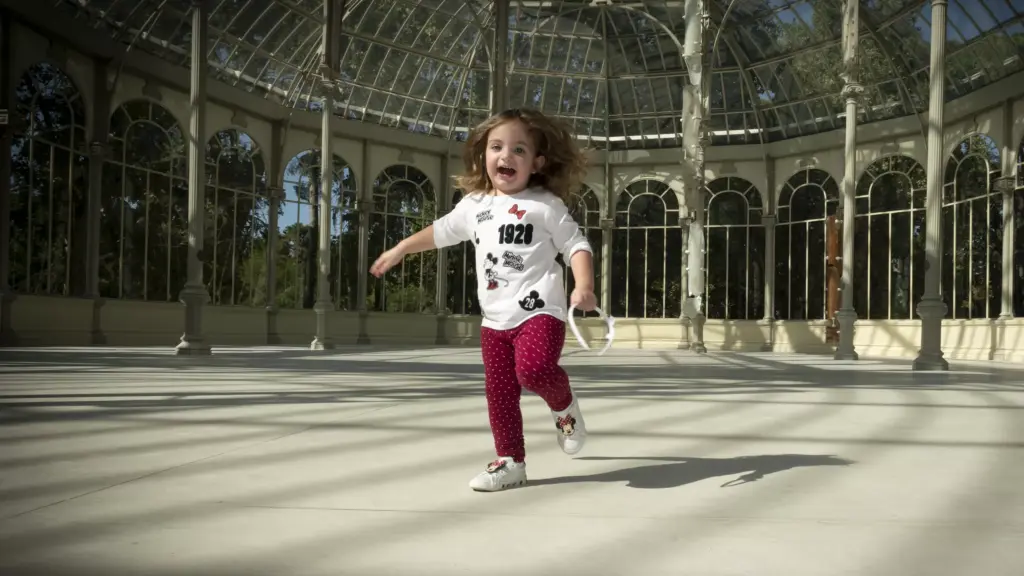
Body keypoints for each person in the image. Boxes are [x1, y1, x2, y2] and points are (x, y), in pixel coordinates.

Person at [370, 108, 597, 492]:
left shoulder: (545, 204)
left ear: (537, 162)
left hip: (540, 309)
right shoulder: (474, 206)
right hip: (494, 320)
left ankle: (565, 408)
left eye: (519, 150)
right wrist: (401, 249)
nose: (505, 156)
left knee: (535, 371)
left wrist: (584, 285)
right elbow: (440, 232)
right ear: (483, 155)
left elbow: (576, 244)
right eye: (497, 147)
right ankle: (510, 462)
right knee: (500, 393)